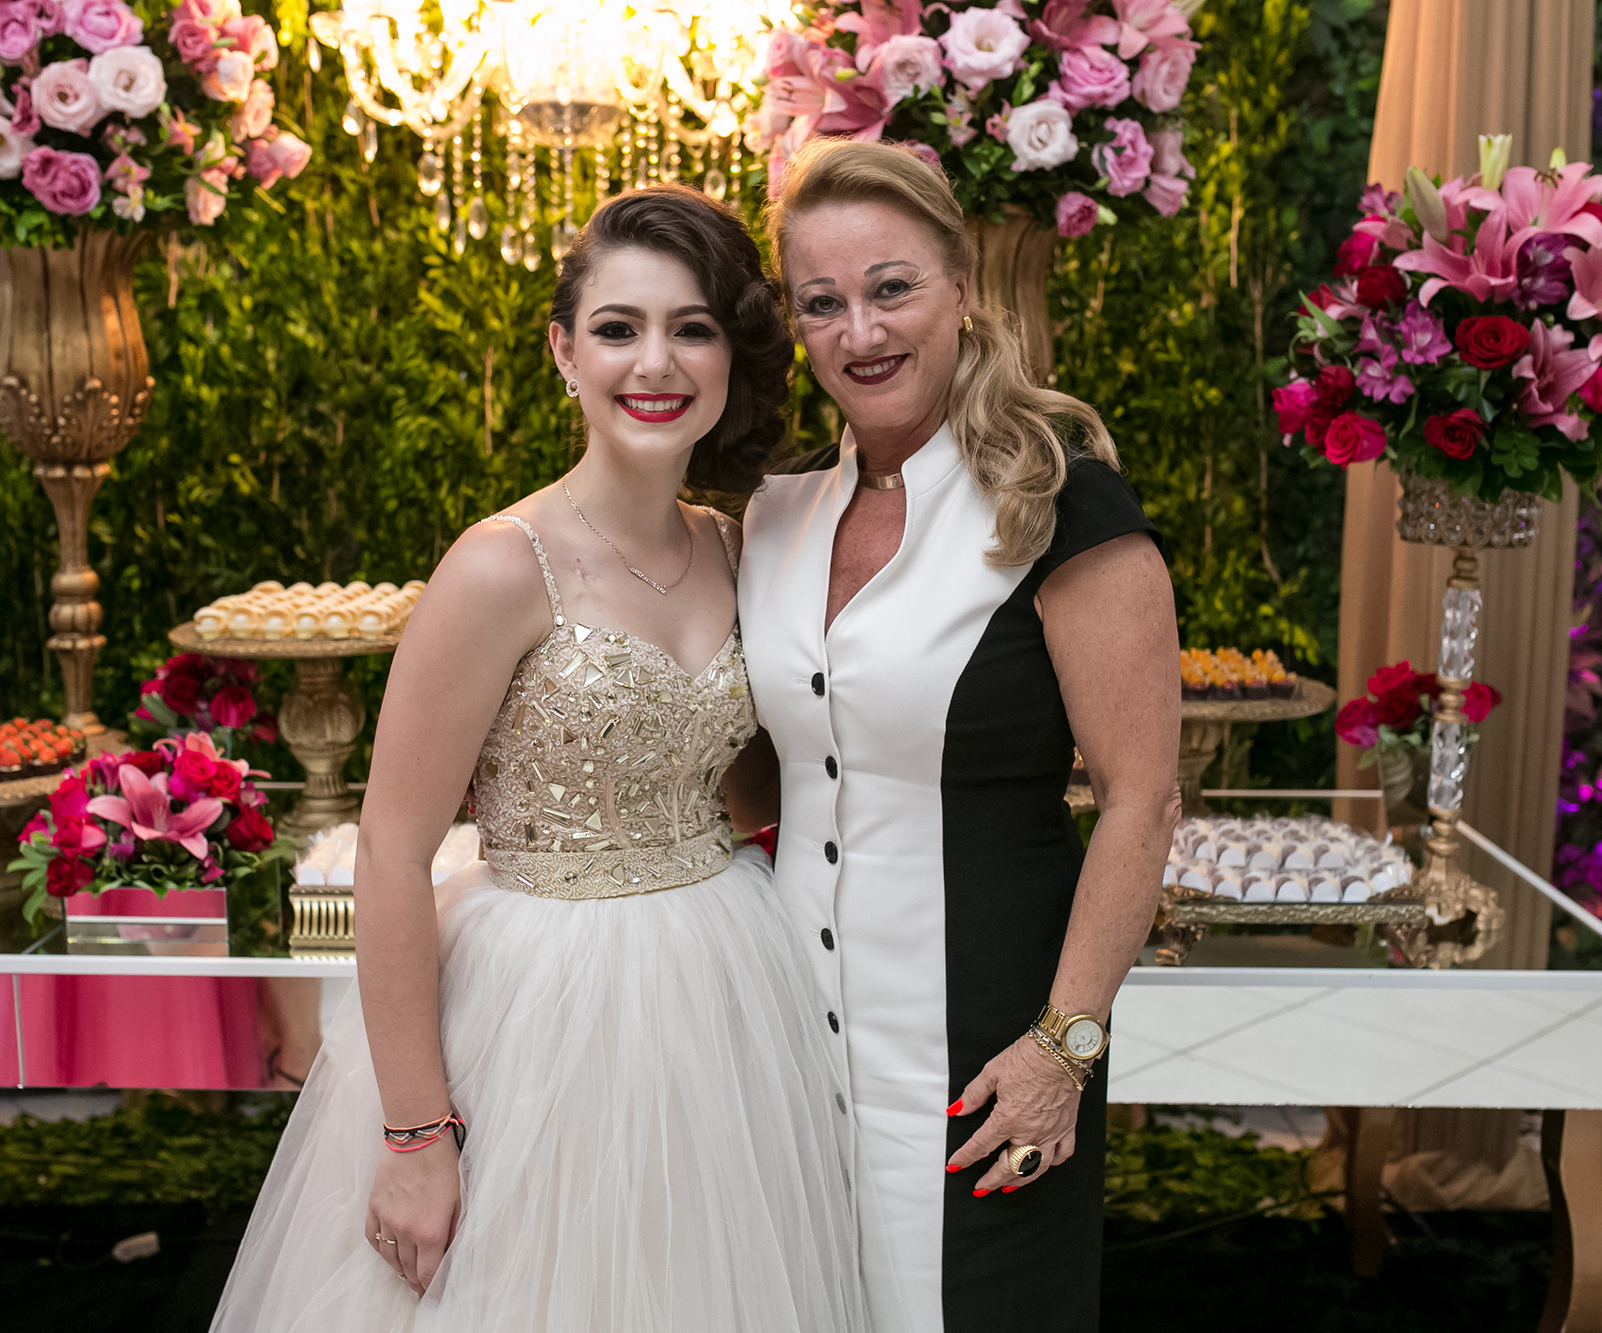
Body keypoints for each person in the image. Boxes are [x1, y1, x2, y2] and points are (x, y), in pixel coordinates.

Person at [211, 187, 867, 1332]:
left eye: (691, 327)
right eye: (617, 328)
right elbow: (390, 851)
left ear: (729, 356)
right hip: (542, 997)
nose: (653, 362)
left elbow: (766, 773)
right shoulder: (500, 566)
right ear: (564, 351)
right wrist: (414, 1134)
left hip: (725, 978)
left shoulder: (739, 546)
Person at [735, 139, 1182, 1331]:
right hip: (786, 1036)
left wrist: (1061, 1049)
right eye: (821, 302)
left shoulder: (1062, 502)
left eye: (891, 288)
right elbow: (758, 766)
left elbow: (1141, 800)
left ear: (960, 289)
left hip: (990, 1048)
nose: (860, 331)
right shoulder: (773, 512)